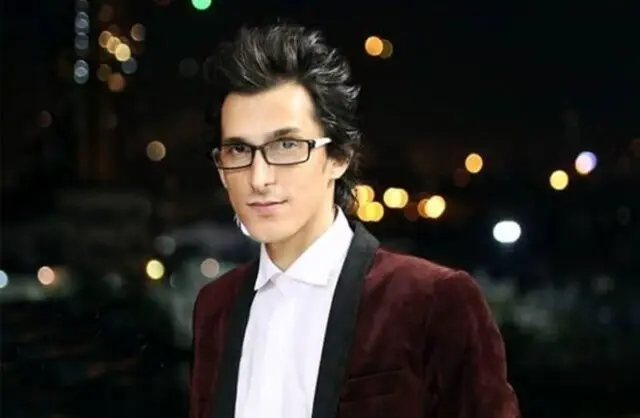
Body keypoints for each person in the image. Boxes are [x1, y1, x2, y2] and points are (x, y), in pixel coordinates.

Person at [190, 22, 519, 418]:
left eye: (286, 145)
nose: (259, 178)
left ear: (339, 157)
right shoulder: (215, 307)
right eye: (239, 150)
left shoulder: (431, 300)